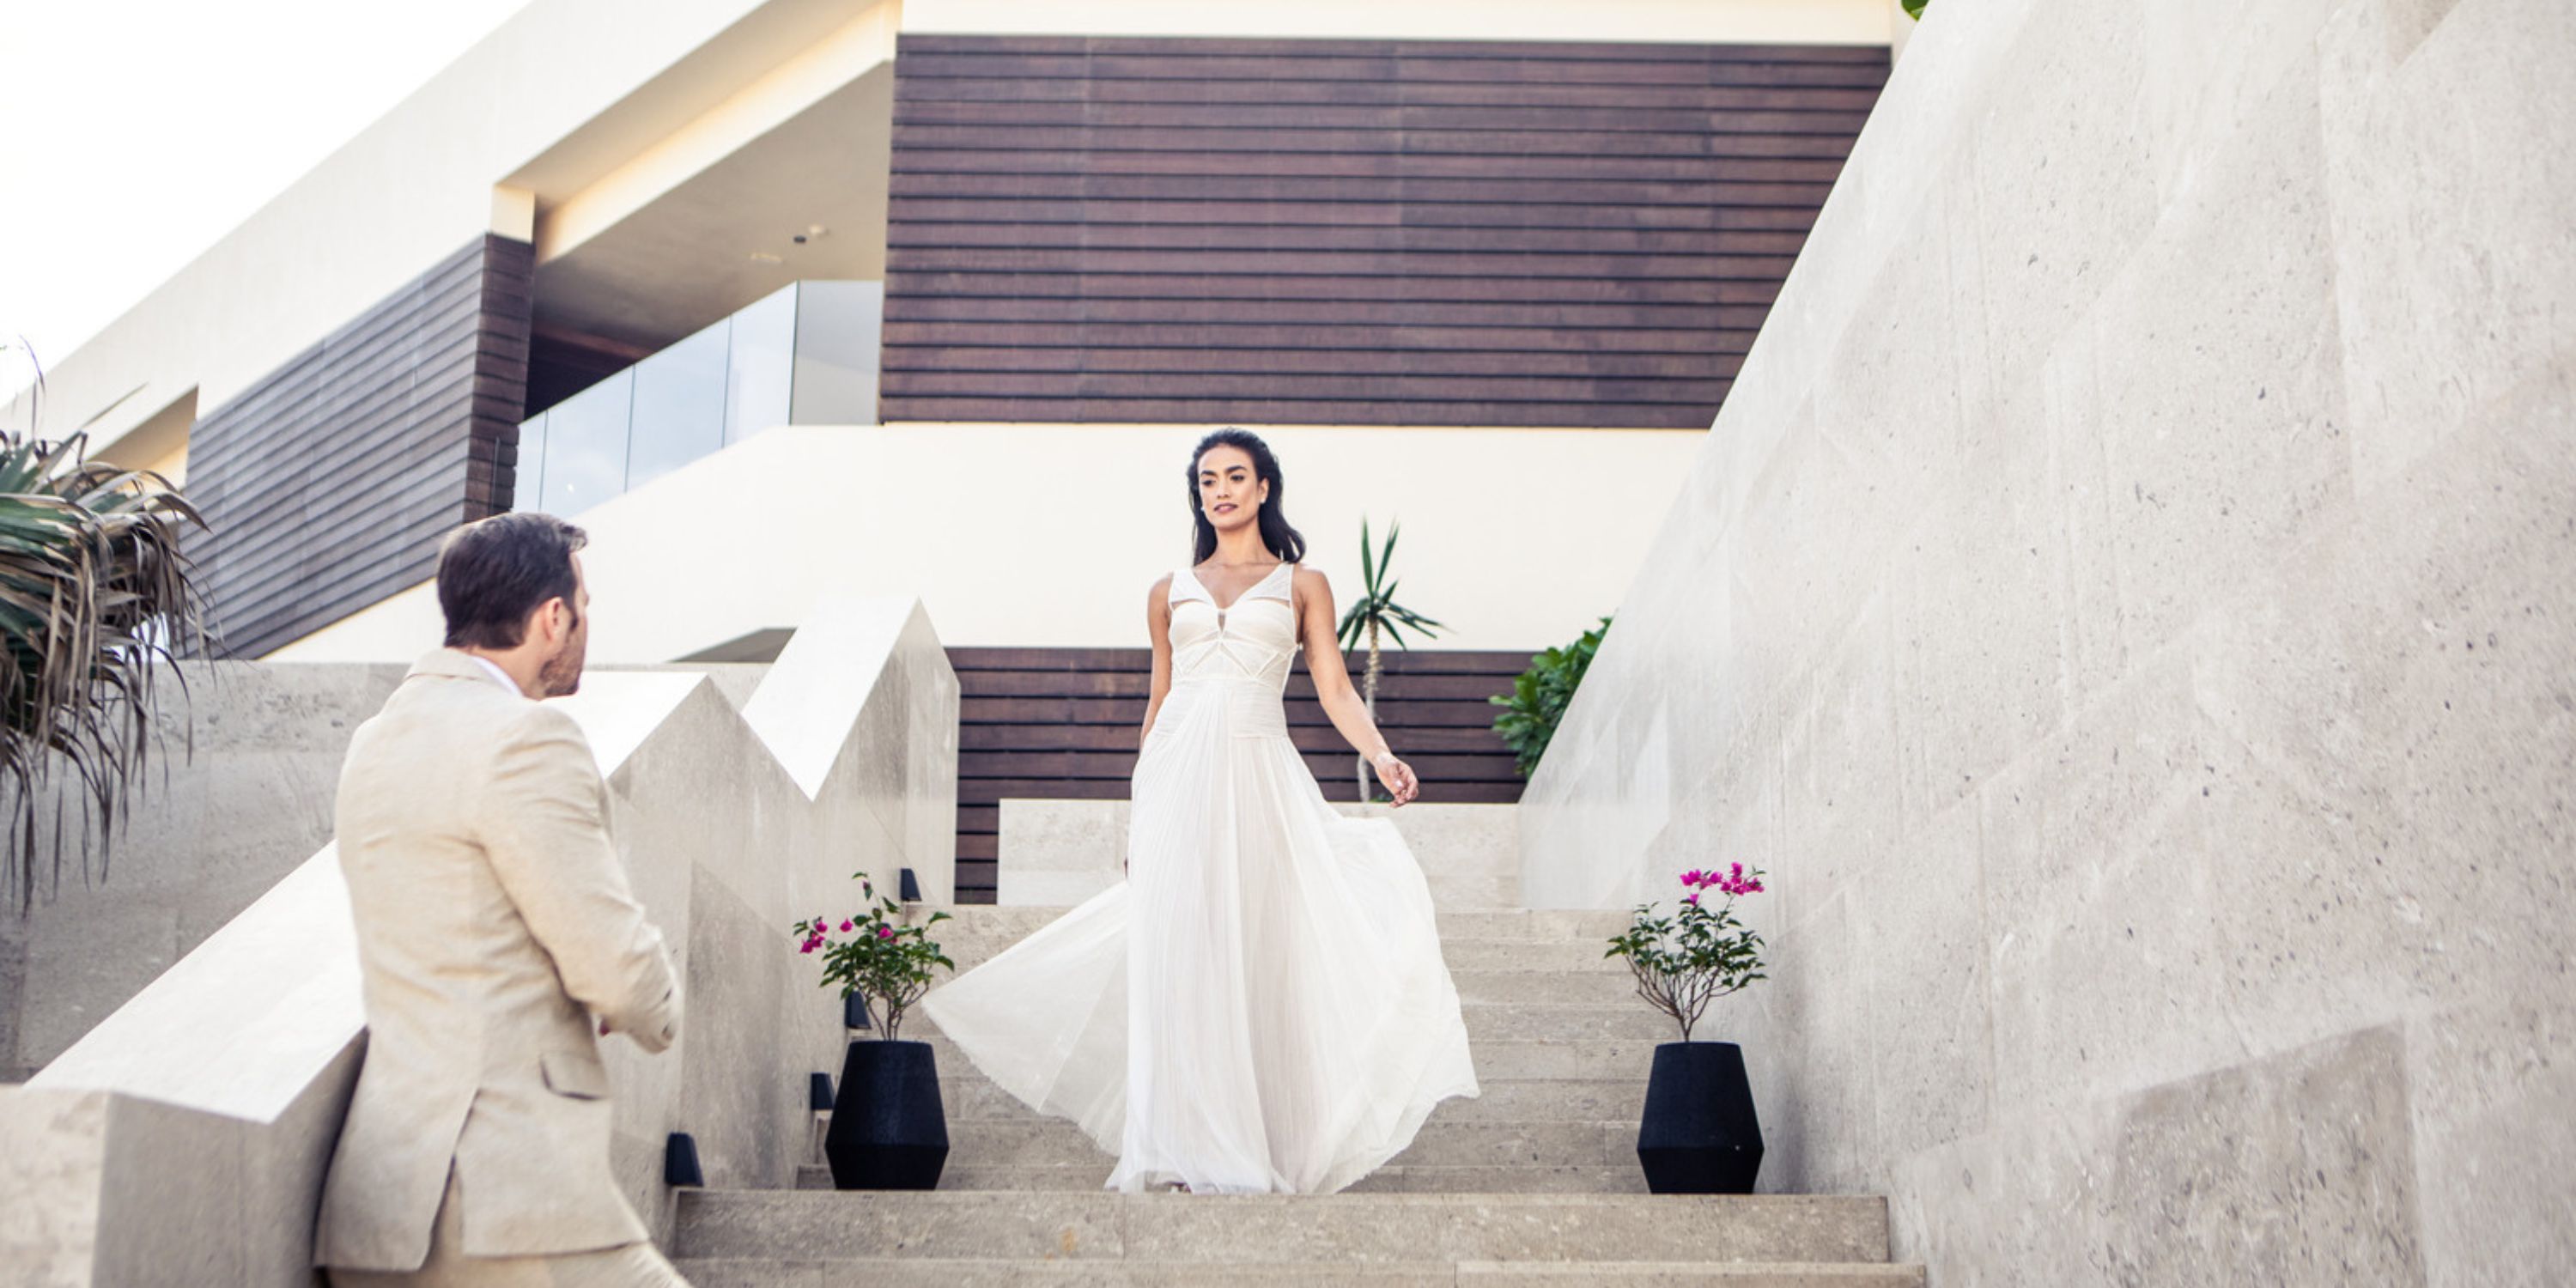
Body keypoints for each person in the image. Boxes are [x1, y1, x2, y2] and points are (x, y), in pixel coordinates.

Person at [920, 428, 1479, 1194]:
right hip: (1177, 779)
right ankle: (1185, 1148)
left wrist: (1381, 755)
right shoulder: (1166, 592)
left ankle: (1262, 1142)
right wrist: (1139, 813)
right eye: (1208, 479)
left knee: (1256, 952)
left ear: (1263, 489)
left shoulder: (1302, 584)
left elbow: (1334, 688)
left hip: (1258, 774)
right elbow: (1159, 704)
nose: (1220, 489)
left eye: (1235, 476)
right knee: (1178, 959)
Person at [315, 512, 688, 1287]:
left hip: (383, 1204)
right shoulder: (525, 739)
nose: (585, 624)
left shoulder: (375, 743)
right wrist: (651, 1007)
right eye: (584, 606)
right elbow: (614, 967)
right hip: (509, 1199)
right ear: (554, 617)